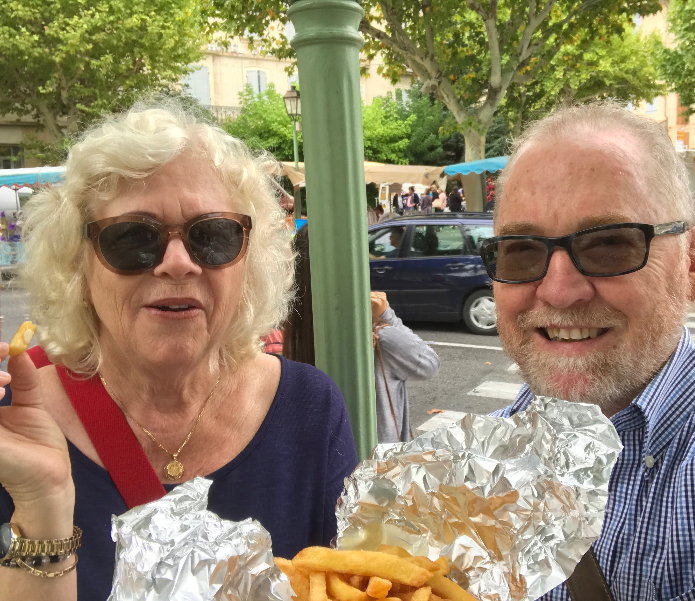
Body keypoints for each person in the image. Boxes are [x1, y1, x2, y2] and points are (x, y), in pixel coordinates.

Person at [0, 101, 358, 601]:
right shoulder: (14, 425)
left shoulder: (310, 407)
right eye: (133, 238)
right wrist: (42, 506)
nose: (177, 263)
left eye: (212, 235)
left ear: (248, 262)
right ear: (79, 264)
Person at [480, 101, 695, 600]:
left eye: (610, 244)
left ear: (693, 263)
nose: (559, 291)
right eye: (521, 250)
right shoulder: (474, 466)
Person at [285, 225, 439, 443]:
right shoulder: (378, 337)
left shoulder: (288, 331)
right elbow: (429, 364)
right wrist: (386, 315)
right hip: (374, 456)